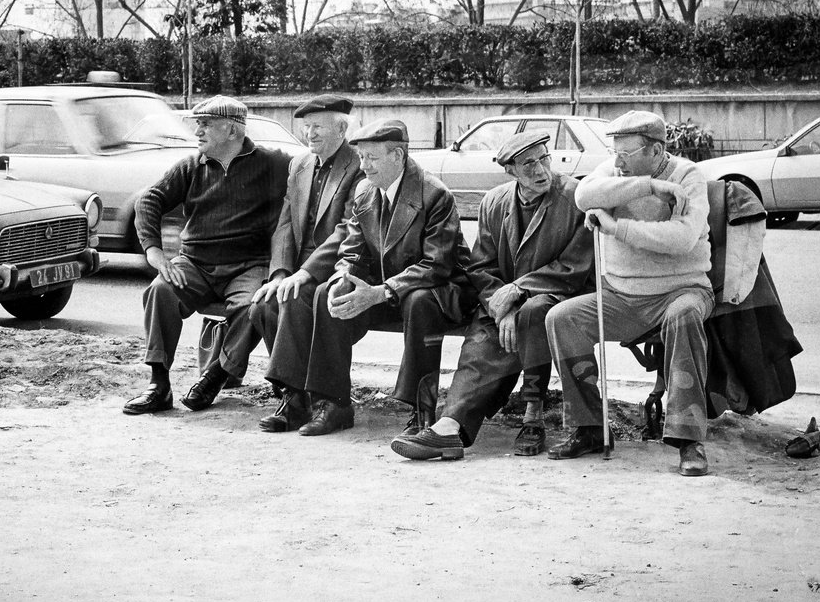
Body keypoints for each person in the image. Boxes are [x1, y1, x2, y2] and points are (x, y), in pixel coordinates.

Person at [265, 118, 478, 436]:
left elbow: (437, 265)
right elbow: (351, 252)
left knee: (420, 301)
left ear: (398, 156)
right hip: (386, 289)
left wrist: (380, 292)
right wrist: (343, 276)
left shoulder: (434, 194)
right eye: (361, 157)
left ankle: (421, 411)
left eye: (372, 158)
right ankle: (335, 404)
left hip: (441, 290)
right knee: (329, 292)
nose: (364, 166)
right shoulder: (366, 191)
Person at [391, 130, 594, 461]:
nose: (541, 171)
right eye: (528, 164)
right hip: (505, 301)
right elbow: (481, 265)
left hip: (561, 294)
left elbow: (575, 266)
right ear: (510, 170)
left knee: (534, 313)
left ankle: (533, 417)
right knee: (481, 340)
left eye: (544, 159)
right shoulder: (495, 201)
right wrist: (503, 305)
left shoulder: (575, 196)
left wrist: (518, 290)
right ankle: (448, 426)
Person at [544, 109, 715, 476]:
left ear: (655, 152)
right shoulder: (618, 171)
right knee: (562, 318)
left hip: (680, 291)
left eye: (626, 153)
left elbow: (682, 239)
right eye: (615, 152)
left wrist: (615, 226)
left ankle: (688, 441)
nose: (616, 161)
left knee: (684, 315)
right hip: (622, 297)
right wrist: (649, 186)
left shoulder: (688, 175)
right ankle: (589, 427)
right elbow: (584, 195)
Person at [123, 95, 291, 415]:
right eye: (197, 124)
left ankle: (216, 375)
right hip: (195, 263)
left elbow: (310, 175)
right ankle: (159, 385)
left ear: (232, 130)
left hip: (249, 265)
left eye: (205, 125)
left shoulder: (272, 163)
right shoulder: (190, 166)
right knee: (160, 291)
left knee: (251, 305)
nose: (197, 131)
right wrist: (155, 253)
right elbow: (150, 201)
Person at [249, 94, 365, 432]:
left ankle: (330, 401)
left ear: (341, 129)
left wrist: (303, 273)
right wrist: (282, 272)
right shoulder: (300, 165)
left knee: (299, 299)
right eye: (306, 128)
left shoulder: (358, 165)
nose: (309, 135)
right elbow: (285, 223)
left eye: (317, 127)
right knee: (265, 304)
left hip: (340, 265)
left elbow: (347, 228)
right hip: (299, 268)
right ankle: (294, 397)